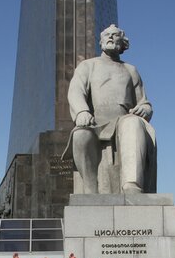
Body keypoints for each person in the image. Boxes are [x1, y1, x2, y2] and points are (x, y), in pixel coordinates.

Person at [65, 24, 156, 194]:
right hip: (95, 123)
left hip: (124, 120)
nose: (110, 38)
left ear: (123, 43)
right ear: (101, 41)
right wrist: (82, 111)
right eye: (107, 35)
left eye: (115, 35)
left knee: (133, 123)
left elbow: (143, 101)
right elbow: (76, 90)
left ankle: (131, 185)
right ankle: (91, 190)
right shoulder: (88, 65)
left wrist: (145, 109)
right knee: (80, 135)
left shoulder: (130, 70)